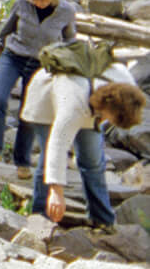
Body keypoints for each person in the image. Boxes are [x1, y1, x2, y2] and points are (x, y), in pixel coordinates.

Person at [20, 61, 146, 230]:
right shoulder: (74, 102)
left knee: (93, 161)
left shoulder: (126, 86)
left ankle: (102, 220)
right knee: (46, 162)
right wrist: (57, 192)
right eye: (110, 119)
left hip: (89, 105)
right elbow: (57, 146)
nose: (108, 122)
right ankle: (41, 218)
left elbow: (119, 69)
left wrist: (102, 119)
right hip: (46, 99)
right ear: (107, 106)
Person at [0, 0, 78, 178]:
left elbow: (70, 42)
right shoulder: (22, 3)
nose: (37, 3)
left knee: (28, 113)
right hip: (13, 56)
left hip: (41, 65)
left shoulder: (66, 11)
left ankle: (22, 161)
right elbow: (4, 32)